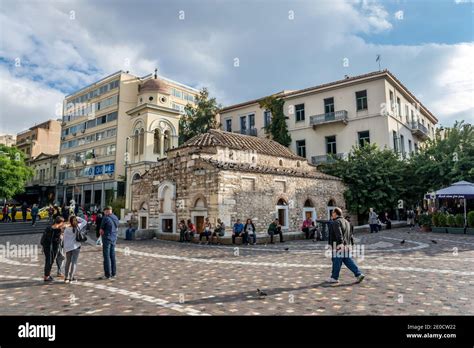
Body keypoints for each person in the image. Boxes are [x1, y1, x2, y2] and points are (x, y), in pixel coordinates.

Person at [326, 207, 365, 284]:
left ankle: (334, 277)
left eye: (332, 212)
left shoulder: (336, 222)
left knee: (336, 261)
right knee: (348, 261)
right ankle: (359, 274)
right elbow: (351, 235)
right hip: (347, 245)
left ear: (335, 213)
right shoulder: (347, 222)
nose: (331, 214)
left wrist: (340, 243)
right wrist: (351, 244)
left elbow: (338, 233)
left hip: (338, 245)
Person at [63, 215, 87, 283]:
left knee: (68, 262)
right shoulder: (78, 226)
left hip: (68, 247)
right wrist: (77, 218)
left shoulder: (67, 229)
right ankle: (71, 278)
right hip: (76, 246)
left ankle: (66, 277)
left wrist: (64, 248)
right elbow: (85, 221)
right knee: (74, 262)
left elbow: (64, 239)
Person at [40, 217, 64, 282]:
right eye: (62, 222)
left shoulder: (49, 227)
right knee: (50, 261)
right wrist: (61, 237)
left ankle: (47, 275)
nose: (63, 224)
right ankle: (46, 276)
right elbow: (56, 240)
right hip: (52, 248)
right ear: (60, 222)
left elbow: (45, 237)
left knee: (48, 261)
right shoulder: (57, 230)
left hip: (46, 247)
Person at [99, 206, 119, 280]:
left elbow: (101, 230)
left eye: (104, 211)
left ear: (106, 211)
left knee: (106, 256)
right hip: (114, 238)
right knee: (112, 256)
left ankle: (107, 274)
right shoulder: (115, 217)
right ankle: (114, 273)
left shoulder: (105, 218)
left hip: (107, 238)